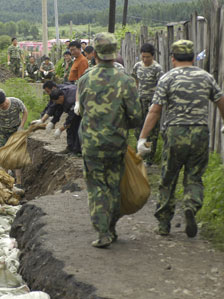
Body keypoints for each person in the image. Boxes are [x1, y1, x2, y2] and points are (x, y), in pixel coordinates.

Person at [137, 40, 224, 238]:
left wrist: (143, 137)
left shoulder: (167, 78)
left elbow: (155, 110)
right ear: (192, 56)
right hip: (199, 133)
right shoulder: (205, 77)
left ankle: (164, 224)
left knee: (168, 178)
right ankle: (190, 206)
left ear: (172, 58)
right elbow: (222, 102)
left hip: (174, 134)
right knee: (194, 177)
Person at [77, 32, 142, 248]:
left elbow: (82, 109)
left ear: (94, 52)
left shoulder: (85, 79)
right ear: (115, 53)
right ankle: (112, 227)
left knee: (97, 187)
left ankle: (103, 231)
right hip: (116, 144)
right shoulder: (126, 81)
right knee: (114, 186)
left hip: (91, 144)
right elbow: (135, 116)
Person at [132, 43, 164, 166]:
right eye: (143, 56)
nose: (145, 59)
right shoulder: (137, 66)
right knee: (138, 128)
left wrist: (155, 102)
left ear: (153, 56)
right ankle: (140, 153)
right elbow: (134, 80)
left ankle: (149, 158)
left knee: (152, 131)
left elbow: (161, 87)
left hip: (152, 103)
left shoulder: (157, 69)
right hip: (140, 101)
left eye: (148, 57)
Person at [0, 91, 28, 188]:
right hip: (3, 133)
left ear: (5, 99)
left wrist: (21, 126)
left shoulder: (16, 102)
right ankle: (6, 182)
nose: (1, 107)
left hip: (16, 131)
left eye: (2, 105)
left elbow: (25, 112)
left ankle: (19, 182)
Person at [48, 87, 81, 156]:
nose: (56, 103)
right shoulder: (62, 93)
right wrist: (53, 121)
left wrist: (60, 129)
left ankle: (77, 151)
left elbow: (71, 118)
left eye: (56, 101)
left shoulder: (70, 101)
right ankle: (70, 147)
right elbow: (59, 109)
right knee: (70, 128)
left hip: (81, 109)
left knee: (76, 127)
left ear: (61, 97)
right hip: (74, 109)